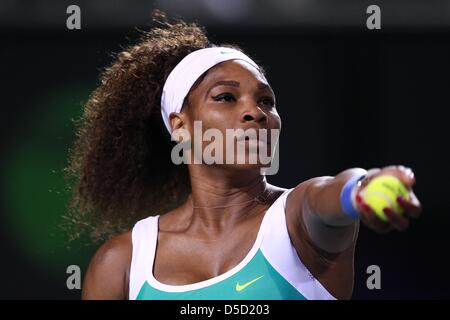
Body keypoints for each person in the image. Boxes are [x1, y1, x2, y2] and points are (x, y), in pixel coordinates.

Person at [67, 13, 421, 300]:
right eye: (225, 97)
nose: (256, 111)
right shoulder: (123, 263)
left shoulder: (298, 219)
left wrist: (362, 189)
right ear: (180, 126)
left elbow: (333, 192)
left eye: (266, 100)